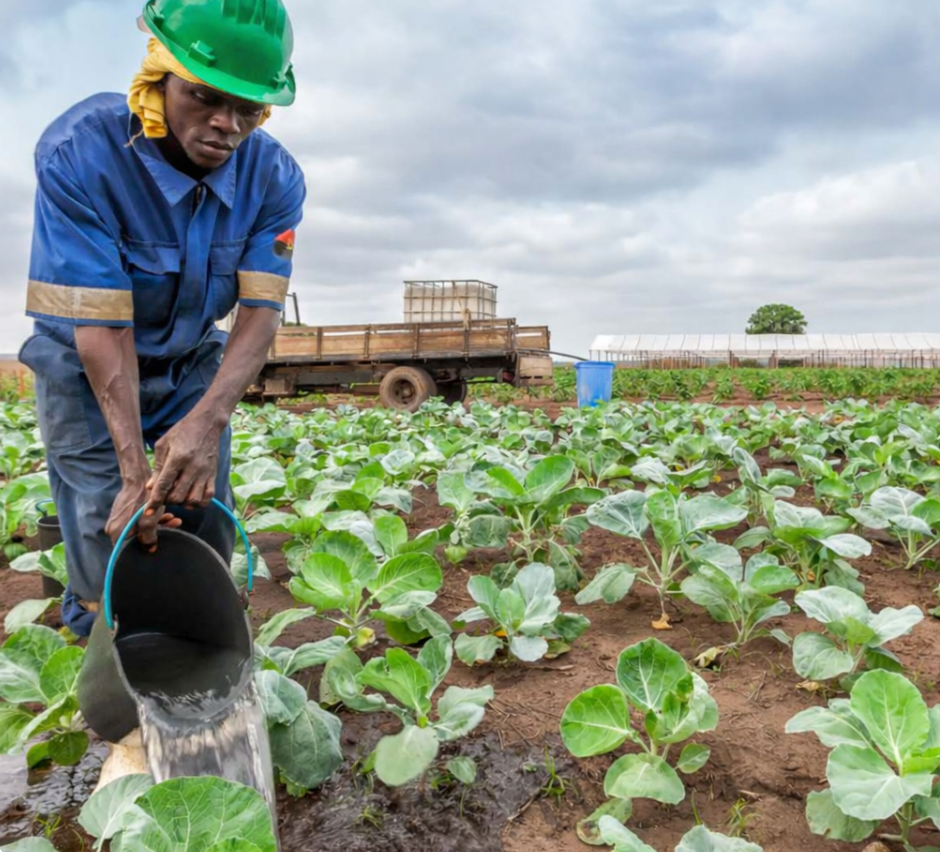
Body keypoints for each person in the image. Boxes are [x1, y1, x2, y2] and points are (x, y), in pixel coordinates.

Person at [20, 0, 304, 641]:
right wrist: (131, 478)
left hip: (190, 362)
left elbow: (260, 314)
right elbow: (103, 327)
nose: (226, 124)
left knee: (199, 508)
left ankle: (191, 644)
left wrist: (207, 421)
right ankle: (102, 658)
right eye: (204, 96)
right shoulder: (81, 154)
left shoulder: (276, 177)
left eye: (249, 109)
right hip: (82, 360)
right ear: (160, 78)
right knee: (106, 520)